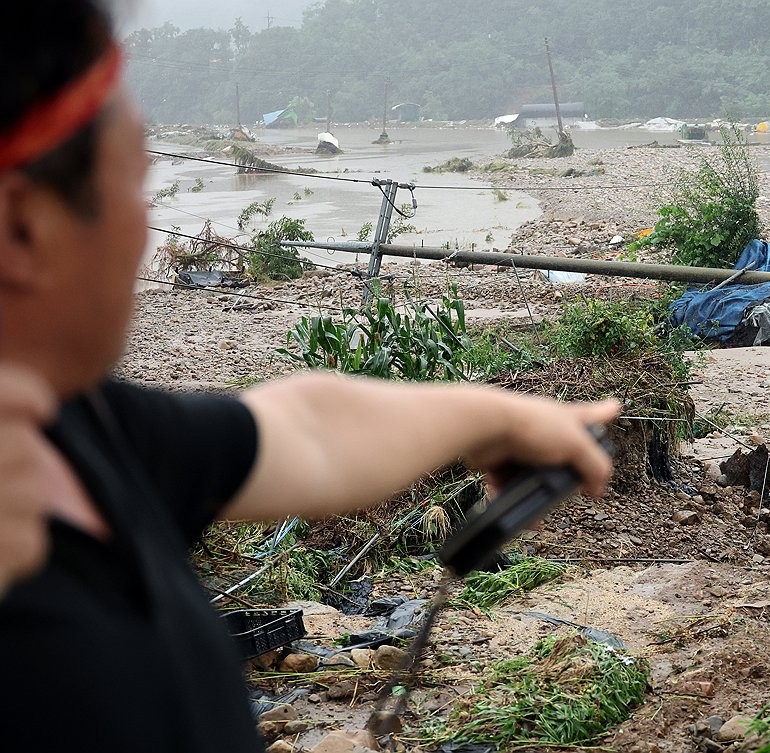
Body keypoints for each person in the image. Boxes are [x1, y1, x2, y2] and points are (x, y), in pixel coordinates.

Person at [0, 3, 618, 751]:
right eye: (137, 181)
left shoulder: (89, 430)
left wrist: (498, 418)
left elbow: (306, 427)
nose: (148, 228)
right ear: (23, 228)